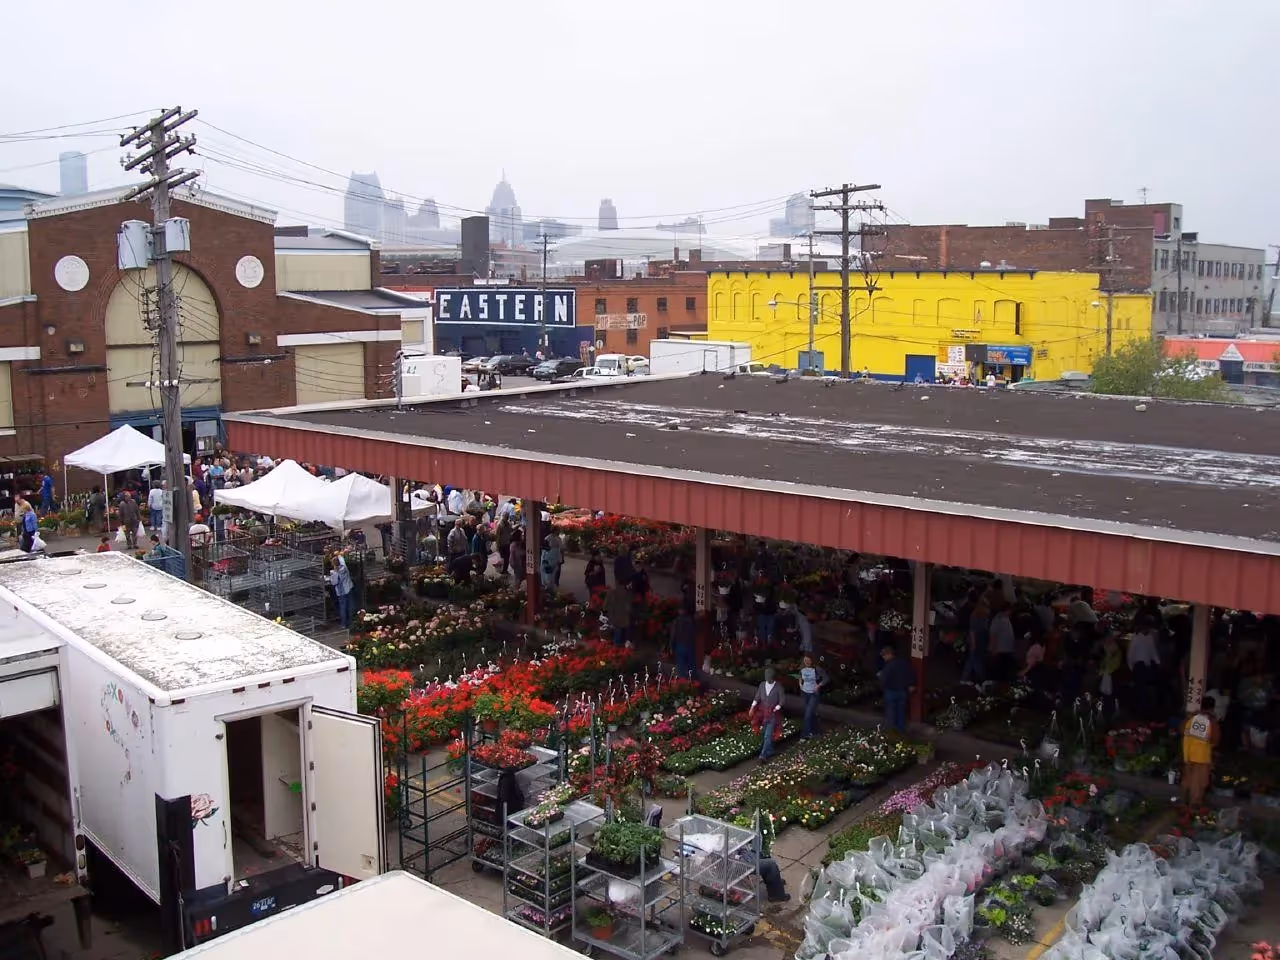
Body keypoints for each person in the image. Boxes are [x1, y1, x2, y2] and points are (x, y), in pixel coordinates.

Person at [1181, 696, 1219, 806]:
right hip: (1202, 756)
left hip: (1188, 754)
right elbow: (1215, 739)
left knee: (1187, 780)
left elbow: (1181, 730)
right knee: (1199, 784)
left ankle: (1182, 803)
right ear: (1212, 708)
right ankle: (1194, 807)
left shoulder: (1191, 717)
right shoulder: (1210, 721)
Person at [751, 667, 784, 761]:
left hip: (773, 714)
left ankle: (763, 755)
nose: (767, 677)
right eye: (766, 675)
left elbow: (782, 699)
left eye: (769, 675)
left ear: (772, 676)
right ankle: (770, 750)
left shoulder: (778, 687)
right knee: (765, 733)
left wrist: (777, 707)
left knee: (767, 735)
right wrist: (752, 707)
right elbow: (757, 697)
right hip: (763, 713)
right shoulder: (762, 685)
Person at [878, 644, 913, 734]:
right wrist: (911, 685)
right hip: (902, 691)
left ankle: (892, 732)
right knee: (901, 713)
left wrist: (881, 684)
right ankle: (900, 731)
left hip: (890, 691)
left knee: (891, 713)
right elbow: (910, 673)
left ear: (889, 654)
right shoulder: (903, 662)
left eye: (884, 655)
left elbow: (884, 679)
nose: (883, 658)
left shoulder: (888, 666)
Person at [799, 654, 829, 739]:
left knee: (808, 714)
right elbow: (800, 677)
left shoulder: (817, 669)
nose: (807, 662)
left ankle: (805, 735)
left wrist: (819, 685)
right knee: (810, 713)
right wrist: (800, 684)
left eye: (808, 660)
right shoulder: (802, 669)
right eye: (805, 661)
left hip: (813, 694)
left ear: (812, 660)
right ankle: (816, 732)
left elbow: (826, 678)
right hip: (805, 693)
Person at [961, 603, 989, 684]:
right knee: (974, 660)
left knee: (974, 660)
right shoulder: (975, 618)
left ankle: (965, 678)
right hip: (977, 641)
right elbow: (972, 632)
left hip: (981, 642)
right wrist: (973, 644)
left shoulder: (984, 618)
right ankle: (981, 679)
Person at [990, 608, 1017, 681]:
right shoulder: (1005, 620)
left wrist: (992, 649)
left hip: (1002, 651)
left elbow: (993, 636)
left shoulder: (999, 621)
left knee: (999, 672)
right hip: (1006, 650)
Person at [329, 554, 354, 629]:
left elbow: (334, 583)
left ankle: (343, 624)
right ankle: (351, 622)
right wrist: (338, 554)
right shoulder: (344, 568)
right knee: (350, 606)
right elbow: (341, 558)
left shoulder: (334, 573)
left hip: (341, 592)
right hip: (348, 588)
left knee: (342, 607)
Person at [670, 610, 696, 680]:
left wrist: (671, 647)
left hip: (680, 645)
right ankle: (692, 682)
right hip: (689, 645)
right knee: (691, 666)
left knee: (681, 667)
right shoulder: (691, 620)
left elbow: (673, 635)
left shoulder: (676, 621)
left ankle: (683, 683)